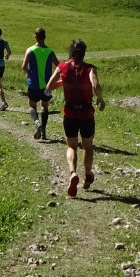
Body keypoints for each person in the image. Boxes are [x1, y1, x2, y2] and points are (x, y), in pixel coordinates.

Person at [46, 38, 105, 198]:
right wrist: (100, 99)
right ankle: (87, 175)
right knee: (87, 146)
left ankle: (72, 173)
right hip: (86, 113)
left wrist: (63, 82)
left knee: (71, 146)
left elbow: (49, 86)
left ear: (70, 52)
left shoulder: (62, 66)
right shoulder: (90, 69)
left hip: (70, 113)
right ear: (84, 53)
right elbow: (95, 86)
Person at [21, 27, 58, 140]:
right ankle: (44, 133)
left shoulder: (30, 50)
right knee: (45, 106)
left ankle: (37, 123)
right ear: (45, 37)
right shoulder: (50, 52)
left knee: (32, 106)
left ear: (35, 37)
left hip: (34, 84)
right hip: (47, 85)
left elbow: (23, 67)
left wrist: (30, 73)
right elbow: (59, 66)